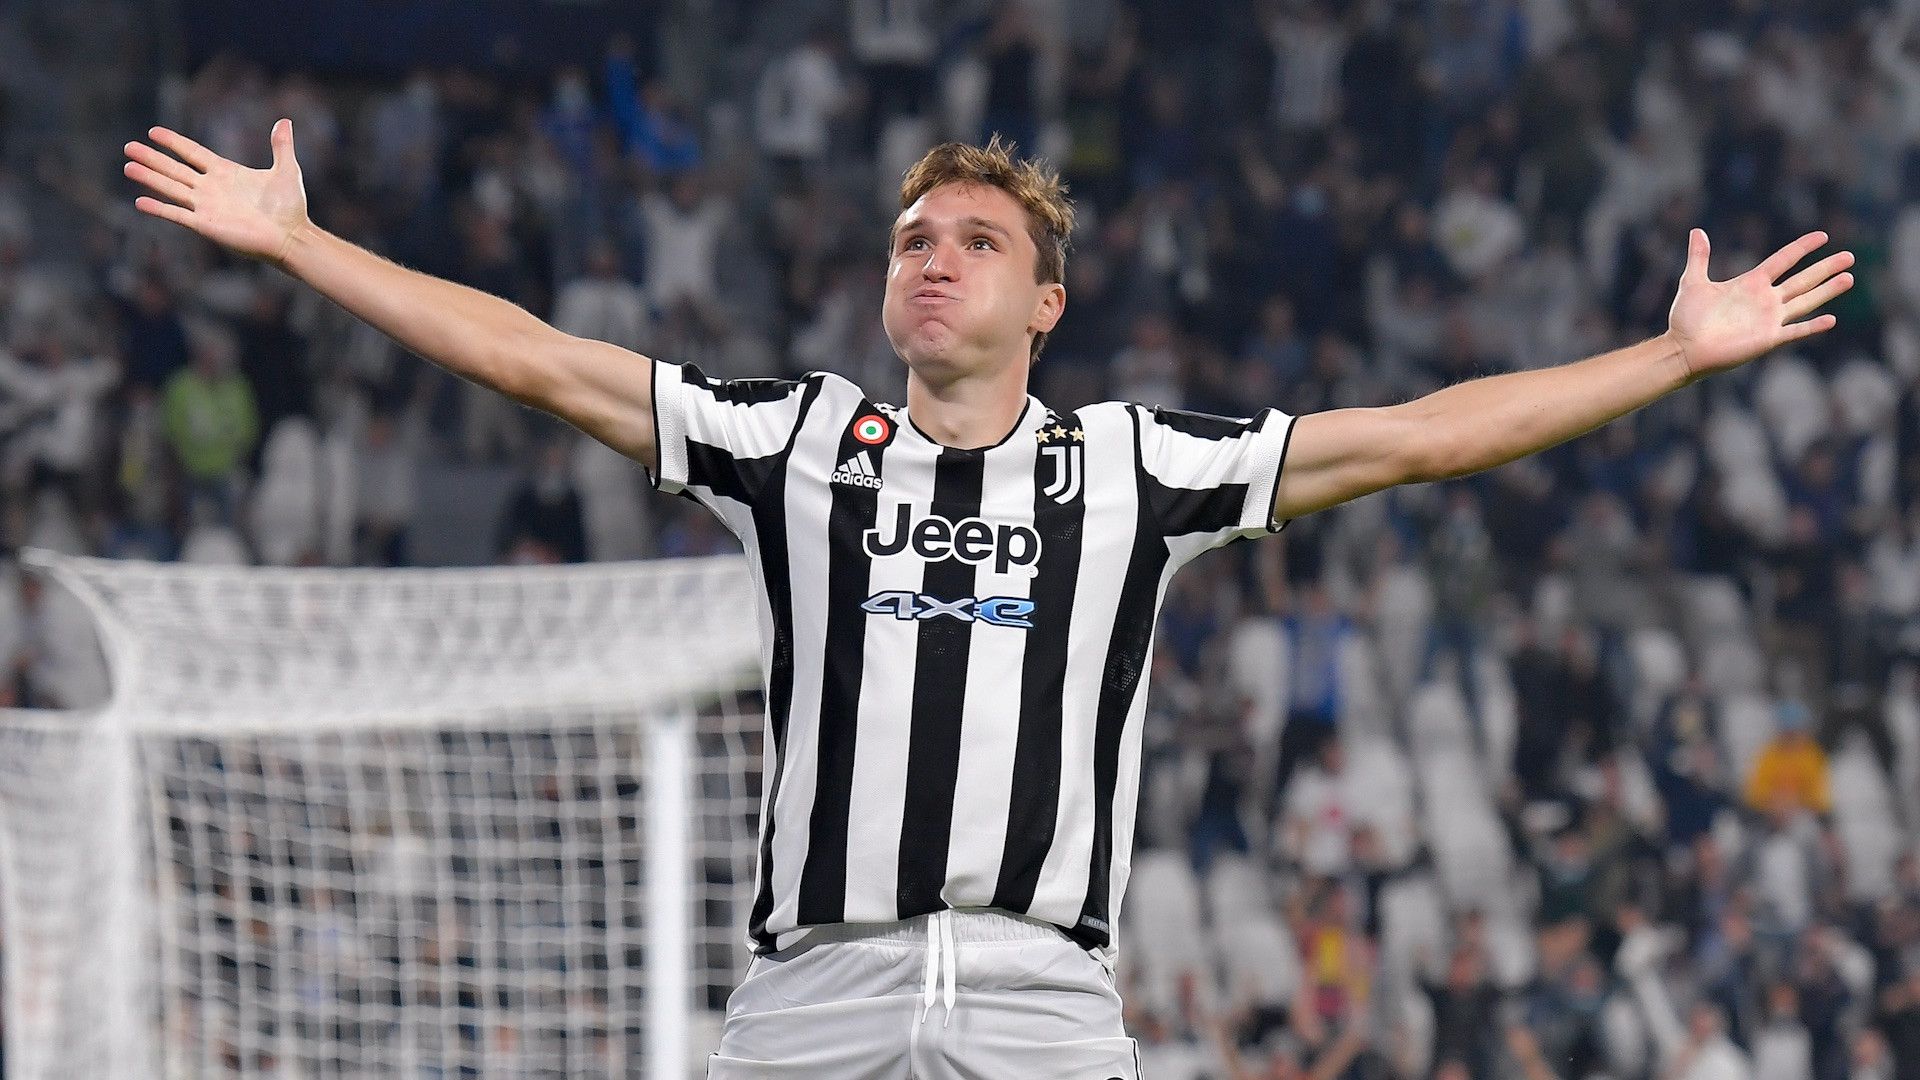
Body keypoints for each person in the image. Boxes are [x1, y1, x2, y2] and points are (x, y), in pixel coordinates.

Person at [122, 119, 1855, 1078]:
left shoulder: (1133, 467)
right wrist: (303, 246)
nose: (932, 259)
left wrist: (1667, 359)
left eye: (975, 242)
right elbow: (535, 358)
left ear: (1046, 305)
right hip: (811, 997)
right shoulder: (791, 442)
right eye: (911, 241)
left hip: (1041, 1001)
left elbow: (1419, 436)